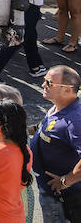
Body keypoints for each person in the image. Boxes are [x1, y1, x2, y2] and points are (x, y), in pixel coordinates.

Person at [32, 65, 81, 222]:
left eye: (49, 83)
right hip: (49, 189)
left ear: (68, 89)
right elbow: (43, 128)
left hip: (63, 196)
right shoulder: (58, 106)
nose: (43, 85)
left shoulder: (75, 121)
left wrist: (65, 181)